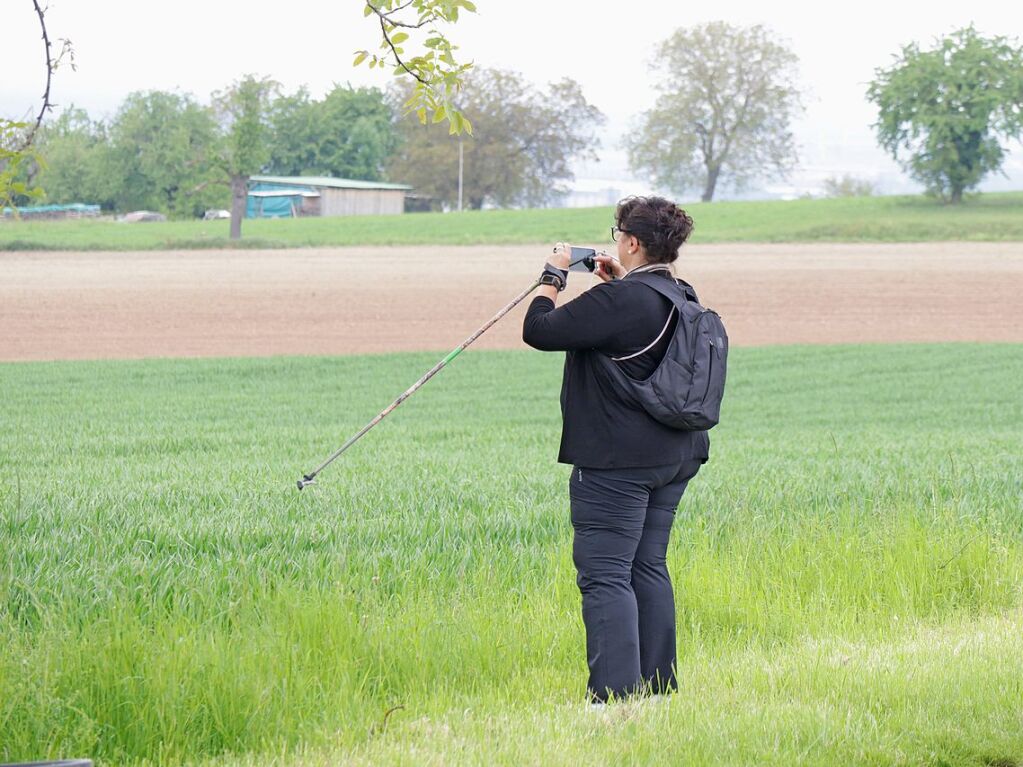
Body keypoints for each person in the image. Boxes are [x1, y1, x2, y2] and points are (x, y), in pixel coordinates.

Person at [521, 195, 710, 704]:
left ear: (630, 242)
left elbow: (538, 330)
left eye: (616, 234)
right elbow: (630, 329)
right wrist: (613, 285)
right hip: (677, 455)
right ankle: (657, 690)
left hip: (617, 463)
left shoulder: (622, 302)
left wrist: (553, 275)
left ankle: (613, 701)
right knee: (647, 566)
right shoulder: (682, 295)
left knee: (605, 574)